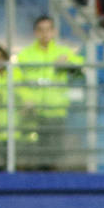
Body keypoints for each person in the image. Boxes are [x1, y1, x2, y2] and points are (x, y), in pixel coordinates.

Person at [16, 15, 84, 170]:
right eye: (41, 30)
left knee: (55, 151)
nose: (45, 33)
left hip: (56, 111)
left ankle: (51, 180)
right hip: (33, 113)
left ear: (54, 32)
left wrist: (67, 64)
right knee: (34, 151)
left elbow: (80, 68)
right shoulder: (25, 55)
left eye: (48, 29)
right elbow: (18, 82)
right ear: (35, 32)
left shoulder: (64, 52)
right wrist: (27, 99)